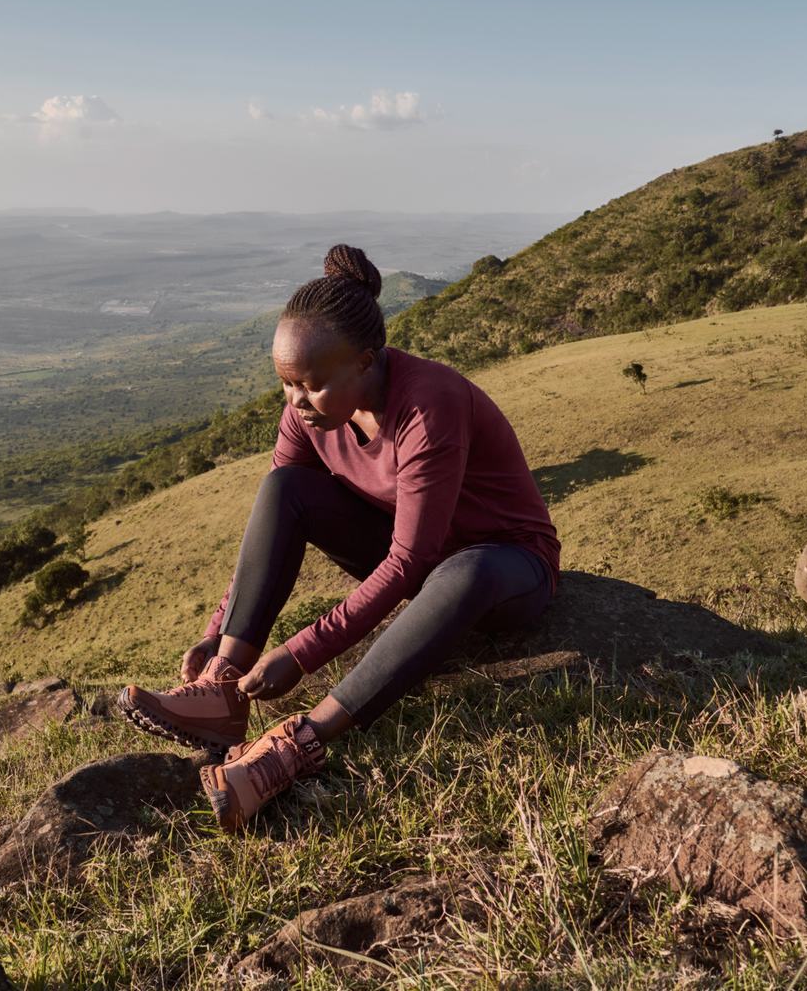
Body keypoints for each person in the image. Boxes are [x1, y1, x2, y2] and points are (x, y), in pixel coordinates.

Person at [118, 243, 560, 833]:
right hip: (421, 563)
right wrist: (218, 633)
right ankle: (223, 692)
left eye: (313, 385)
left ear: (366, 362)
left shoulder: (430, 405)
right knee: (285, 487)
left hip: (505, 570)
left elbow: (410, 561)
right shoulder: (308, 410)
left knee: (464, 571)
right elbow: (273, 519)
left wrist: (300, 654)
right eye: (286, 384)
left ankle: (300, 742)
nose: (297, 401)